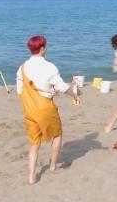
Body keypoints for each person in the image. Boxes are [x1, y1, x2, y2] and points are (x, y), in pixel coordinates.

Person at [16, 35, 81, 185]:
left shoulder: (22, 68)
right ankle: (52, 166)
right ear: (43, 48)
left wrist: (38, 94)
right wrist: (75, 94)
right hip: (45, 107)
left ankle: (31, 176)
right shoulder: (49, 67)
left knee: (34, 143)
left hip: (29, 109)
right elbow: (63, 87)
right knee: (57, 134)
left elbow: (20, 90)